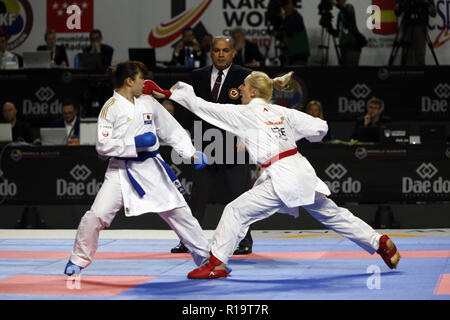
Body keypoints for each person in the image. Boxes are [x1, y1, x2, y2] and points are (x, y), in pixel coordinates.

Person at [145, 71, 401, 279]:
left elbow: (203, 107)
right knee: (334, 215)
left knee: (235, 211)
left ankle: (216, 264)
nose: (240, 90)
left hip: (281, 176)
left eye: (244, 86)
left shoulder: (245, 112)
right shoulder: (282, 112)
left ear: (254, 91)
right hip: (299, 169)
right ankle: (379, 241)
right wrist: (298, 134)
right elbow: (320, 127)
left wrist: (170, 94)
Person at [63, 60, 210, 275]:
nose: (147, 83)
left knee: (180, 212)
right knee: (96, 215)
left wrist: (190, 152)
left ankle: (207, 258)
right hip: (121, 171)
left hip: (151, 167)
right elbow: (102, 146)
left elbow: (170, 130)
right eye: (142, 78)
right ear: (129, 80)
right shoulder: (110, 108)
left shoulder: (149, 102)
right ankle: (78, 259)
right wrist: (135, 144)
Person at [170, 36, 254, 255]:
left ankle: (244, 240)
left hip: (234, 144)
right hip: (204, 144)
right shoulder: (197, 76)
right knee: (197, 195)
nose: (220, 54)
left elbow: (251, 109)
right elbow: (187, 109)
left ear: (233, 53)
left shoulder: (244, 75)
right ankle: (188, 240)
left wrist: (246, 137)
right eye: (216, 50)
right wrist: (187, 141)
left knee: (240, 195)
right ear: (211, 52)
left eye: (225, 50)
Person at [395, 0, 436, 65]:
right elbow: (397, 12)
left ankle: (421, 73)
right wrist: (398, 7)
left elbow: (433, 13)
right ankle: (408, 73)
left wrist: (430, 8)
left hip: (420, 27)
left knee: (420, 54)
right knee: (407, 54)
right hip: (408, 26)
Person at [330, 0, 365, 66]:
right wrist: (329, 28)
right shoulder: (340, 14)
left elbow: (348, 12)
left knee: (350, 69)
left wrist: (337, 5)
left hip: (352, 45)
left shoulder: (349, 7)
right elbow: (338, 33)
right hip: (343, 46)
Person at [280, 0, 310, 65]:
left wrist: (283, 19)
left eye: (289, 4)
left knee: (297, 74)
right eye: (286, 4)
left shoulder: (297, 17)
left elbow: (288, 29)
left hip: (299, 53)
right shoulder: (288, 17)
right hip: (291, 52)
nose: (287, 6)